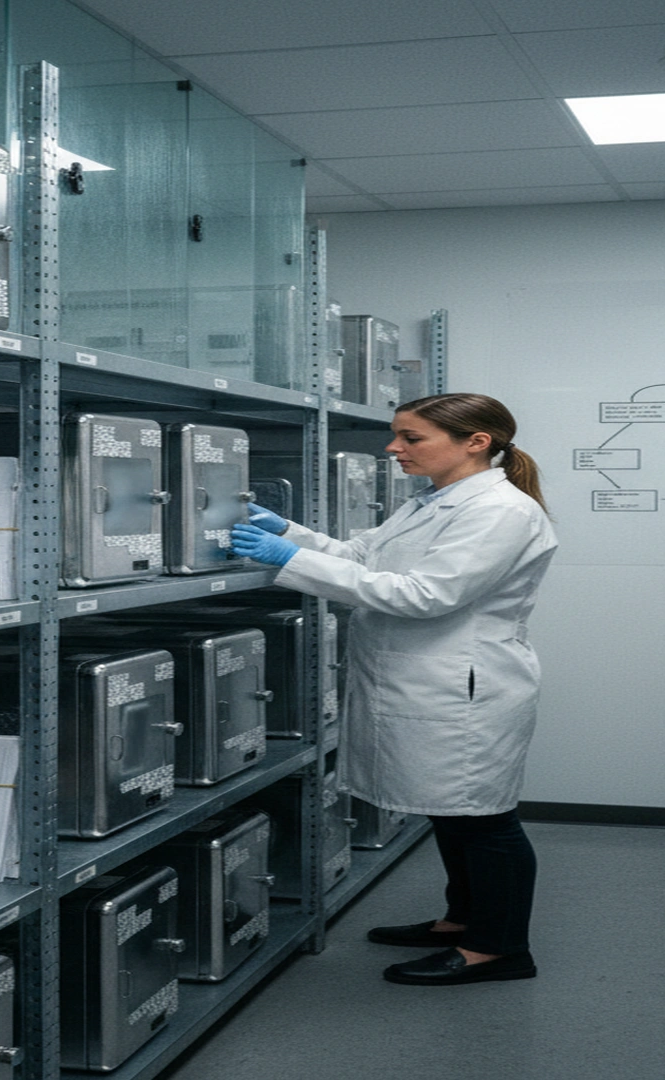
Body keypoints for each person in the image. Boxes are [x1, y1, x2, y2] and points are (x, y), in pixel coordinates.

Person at [230, 392, 557, 987]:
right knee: (451, 814)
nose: (393, 448)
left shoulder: (501, 511)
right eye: (397, 435)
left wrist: (290, 559)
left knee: (483, 819)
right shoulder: (432, 500)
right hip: (425, 679)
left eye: (411, 438)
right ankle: (463, 920)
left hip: (463, 686)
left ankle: (499, 949)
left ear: (476, 442)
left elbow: (426, 594)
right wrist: (290, 533)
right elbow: (362, 557)